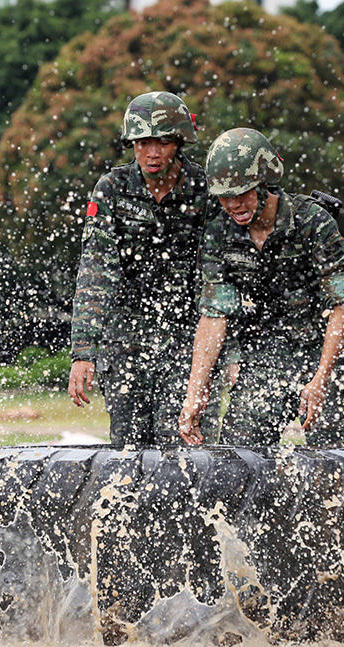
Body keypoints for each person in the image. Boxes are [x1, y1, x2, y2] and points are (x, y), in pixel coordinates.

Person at [178, 128, 344, 447]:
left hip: (321, 354)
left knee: (335, 469)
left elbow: (341, 305)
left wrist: (321, 378)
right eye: (224, 195)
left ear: (265, 184)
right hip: (264, 358)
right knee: (236, 462)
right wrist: (194, 395)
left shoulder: (312, 222)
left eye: (242, 193)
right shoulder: (219, 231)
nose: (233, 204)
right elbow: (213, 316)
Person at [68, 91, 209, 445]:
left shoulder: (204, 188)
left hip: (185, 337)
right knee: (128, 448)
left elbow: (219, 273)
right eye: (142, 142)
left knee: (179, 446)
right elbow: (95, 269)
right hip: (125, 338)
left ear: (178, 142)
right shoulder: (112, 189)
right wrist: (84, 351)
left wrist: (228, 351)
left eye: (161, 142)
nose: (152, 153)